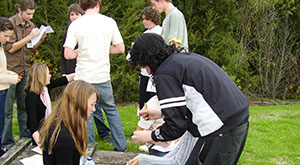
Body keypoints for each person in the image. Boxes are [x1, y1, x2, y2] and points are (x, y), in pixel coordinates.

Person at [128, 33, 249, 164]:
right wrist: (160, 112)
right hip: (236, 117)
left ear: (148, 59)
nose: (148, 72)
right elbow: (191, 100)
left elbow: (175, 126)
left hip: (222, 127)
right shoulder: (180, 60)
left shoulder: (165, 73)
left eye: (144, 66)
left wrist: (150, 136)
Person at [64, 0, 127, 151]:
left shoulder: (76, 25)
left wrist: (80, 51)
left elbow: (68, 54)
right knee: (111, 109)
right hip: (102, 75)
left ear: (81, 6)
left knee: (85, 114)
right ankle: (121, 146)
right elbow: (120, 48)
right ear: (98, 4)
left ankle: (89, 148)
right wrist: (104, 49)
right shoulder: (109, 22)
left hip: (84, 76)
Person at [2, 0, 46, 150]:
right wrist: (29, 37)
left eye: (32, 14)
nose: (30, 17)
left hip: (25, 71)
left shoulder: (30, 26)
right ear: (20, 10)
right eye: (28, 13)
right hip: (10, 71)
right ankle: (7, 142)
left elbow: (29, 48)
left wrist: (39, 39)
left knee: (24, 107)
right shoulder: (9, 24)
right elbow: (11, 48)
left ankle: (25, 137)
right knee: (7, 110)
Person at [39, 80, 99, 164]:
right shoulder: (64, 137)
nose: (94, 109)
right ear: (79, 103)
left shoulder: (62, 124)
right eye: (92, 104)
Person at [24, 63, 74, 146]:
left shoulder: (44, 88)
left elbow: (62, 80)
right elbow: (32, 125)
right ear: (41, 76)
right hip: (38, 135)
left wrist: (78, 73)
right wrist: (41, 144)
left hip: (47, 129)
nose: (50, 76)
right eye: (48, 74)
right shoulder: (31, 97)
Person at [0, 17, 22, 156]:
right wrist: (13, 78)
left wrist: (10, 73)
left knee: (1, 123)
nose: (8, 40)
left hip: (3, 89)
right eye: (5, 36)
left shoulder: (1, 46)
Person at [138, 6, 162, 110]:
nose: (144, 22)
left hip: (155, 74)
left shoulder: (161, 32)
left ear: (153, 19)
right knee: (144, 102)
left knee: (152, 103)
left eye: (146, 19)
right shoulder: (144, 34)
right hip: (144, 74)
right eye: (143, 19)